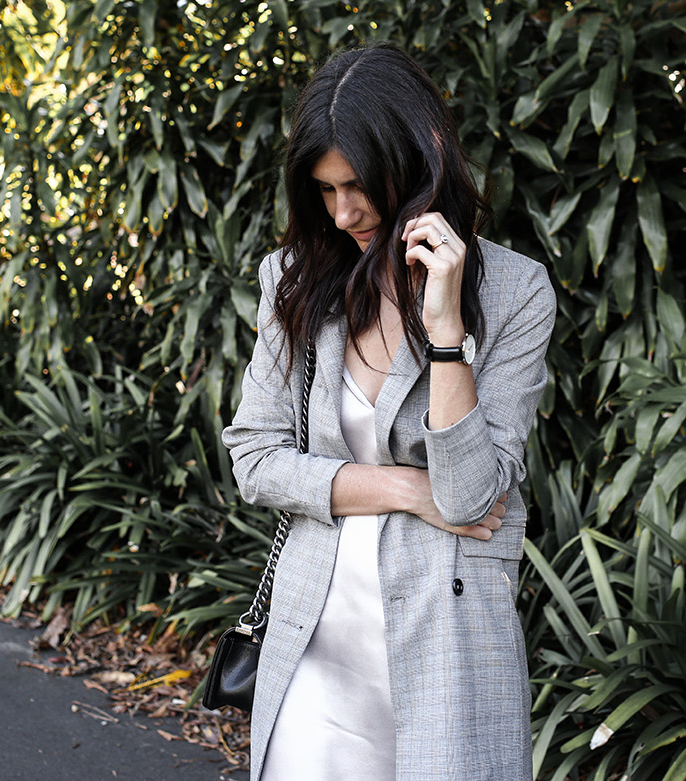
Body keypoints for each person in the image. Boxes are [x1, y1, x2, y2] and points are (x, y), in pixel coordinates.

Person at [222, 45, 556, 781]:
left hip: (449, 642)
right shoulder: (297, 278)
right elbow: (255, 457)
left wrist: (445, 332)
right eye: (324, 189)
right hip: (318, 640)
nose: (343, 212)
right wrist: (406, 488)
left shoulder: (514, 294)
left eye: (358, 185)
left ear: (415, 161)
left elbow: (472, 496)